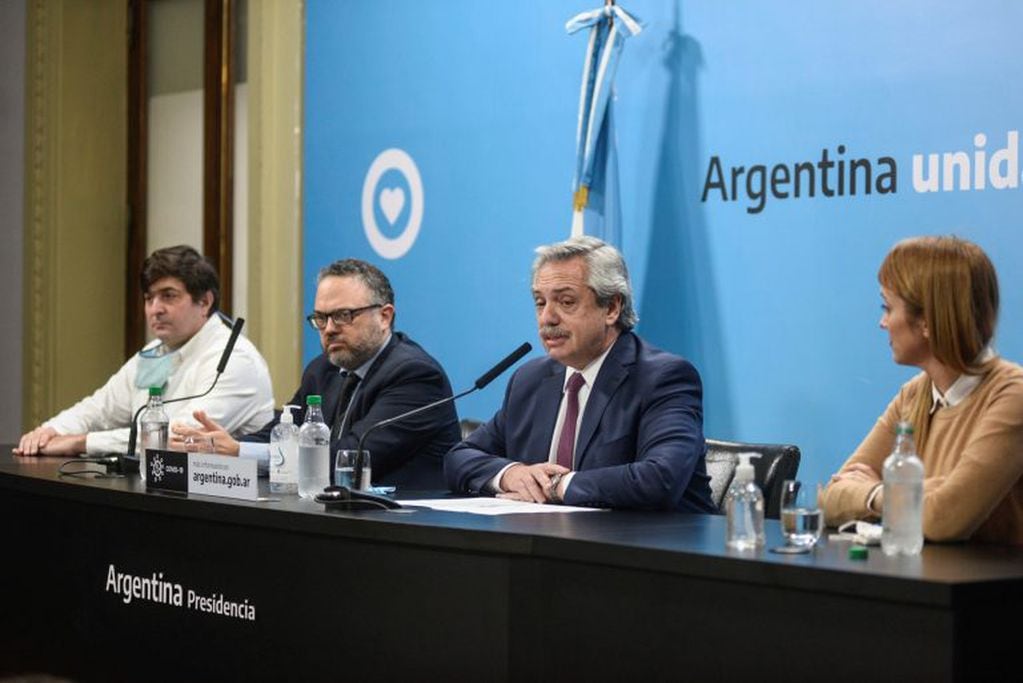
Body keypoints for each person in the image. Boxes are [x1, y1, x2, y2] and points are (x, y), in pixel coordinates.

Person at [445, 236, 715, 512]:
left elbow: (660, 478)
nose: (547, 318)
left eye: (566, 302)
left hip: (654, 547)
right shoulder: (530, 380)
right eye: (540, 302)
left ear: (611, 308)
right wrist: (512, 475)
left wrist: (556, 486)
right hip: (551, 544)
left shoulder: (661, 377)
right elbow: (459, 457)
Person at [171, 259, 461, 489]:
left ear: (384, 317)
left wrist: (239, 452)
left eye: (344, 315)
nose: (330, 328)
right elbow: (280, 433)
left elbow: (349, 458)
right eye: (321, 318)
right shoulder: (323, 369)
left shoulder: (416, 376)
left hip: (404, 532)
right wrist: (221, 446)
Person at [821, 236, 1023, 544]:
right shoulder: (914, 394)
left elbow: (944, 518)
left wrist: (880, 491)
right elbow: (831, 497)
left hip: (989, 592)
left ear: (927, 321)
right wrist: (893, 492)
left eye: (888, 308)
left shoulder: (1012, 395)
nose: (882, 323)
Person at [15, 245, 274, 457]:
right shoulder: (156, 352)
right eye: (149, 298)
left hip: (226, 505)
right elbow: (99, 409)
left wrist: (80, 442)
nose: (155, 308)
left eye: (168, 296)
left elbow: (177, 438)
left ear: (204, 302)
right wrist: (49, 432)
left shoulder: (235, 359)